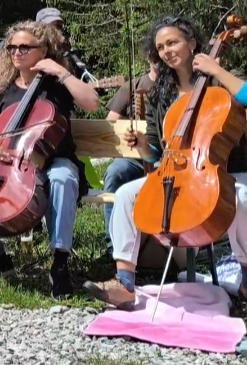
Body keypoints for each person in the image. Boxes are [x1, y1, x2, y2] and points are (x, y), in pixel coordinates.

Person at [83, 16, 247, 309]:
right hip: (182, 172)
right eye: (160, 47)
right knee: (125, 195)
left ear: (192, 43)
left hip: (228, 170)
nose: (166, 51)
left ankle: (246, 277)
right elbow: (159, 156)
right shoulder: (160, 93)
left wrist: (216, 69)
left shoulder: (221, 81)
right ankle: (125, 284)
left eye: (172, 42)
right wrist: (144, 147)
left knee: (241, 197)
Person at [0, 20, 100, 298]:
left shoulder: (56, 85)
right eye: (13, 47)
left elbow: (92, 102)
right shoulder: (6, 89)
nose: (17, 52)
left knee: (63, 179)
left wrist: (60, 71)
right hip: (13, 165)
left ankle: (60, 263)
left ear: (43, 50)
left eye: (25, 47)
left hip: (55, 160)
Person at [99, 58, 159, 239]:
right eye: (154, 54)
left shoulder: (177, 84)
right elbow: (111, 123)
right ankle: (113, 241)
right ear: (148, 57)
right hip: (135, 157)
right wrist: (131, 129)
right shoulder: (132, 86)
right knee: (115, 171)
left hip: (167, 154)